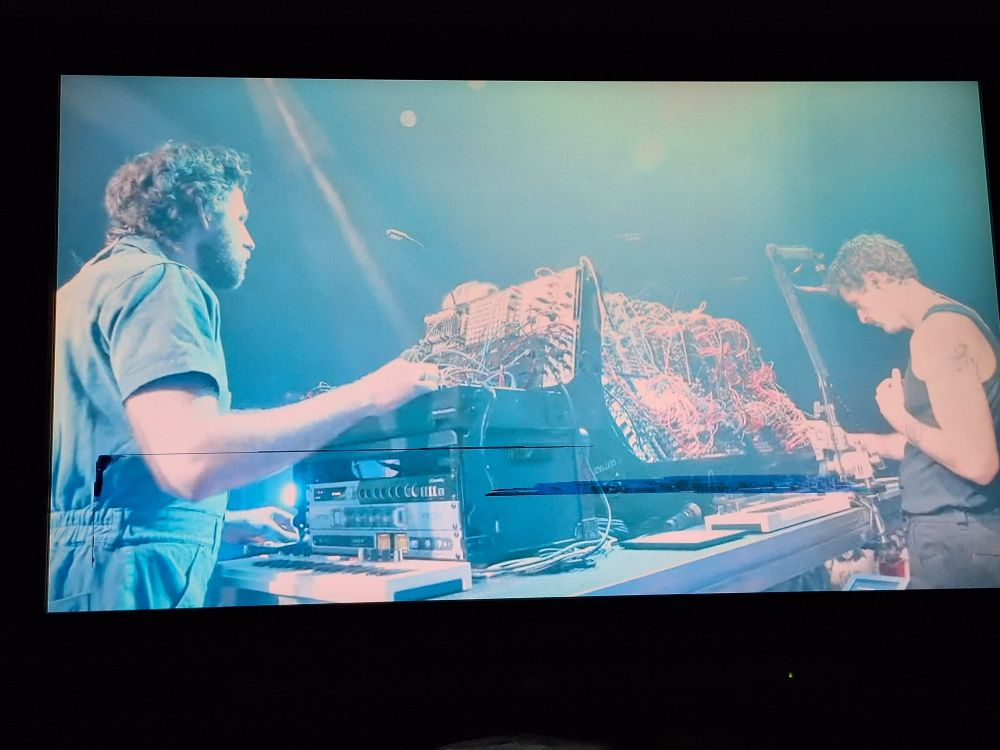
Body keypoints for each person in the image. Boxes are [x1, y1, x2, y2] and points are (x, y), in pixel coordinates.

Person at [48, 142, 440, 611]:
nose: (250, 239)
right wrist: (370, 394)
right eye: (240, 218)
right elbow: (192, 461)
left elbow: (109, 485)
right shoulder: (162, 279)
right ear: (203, 208)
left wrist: (223, 522)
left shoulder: (77, 294)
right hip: (129, 578)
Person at [822, 233, 1000, 588]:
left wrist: (900, 417)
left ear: (876, 280)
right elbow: (932, 447)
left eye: (859, 303)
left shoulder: (939, 334)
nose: (862, 318)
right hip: (957, 535)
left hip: (958, 540)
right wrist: (852, 440)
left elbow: (978, 463)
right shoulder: (950, 322)